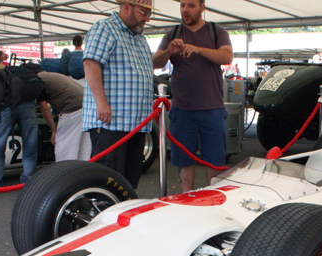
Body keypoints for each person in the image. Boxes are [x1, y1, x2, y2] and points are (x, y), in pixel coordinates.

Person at [153, 0, 233, 192]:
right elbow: (154, 62)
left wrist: (198, 49)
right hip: (182, 110)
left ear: (202, 7)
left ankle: (213, 208)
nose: (185, 10)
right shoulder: (172, 34)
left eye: (191, 5)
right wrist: (168, 51)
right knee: (184, 165)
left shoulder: (217, 31)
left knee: (214, 165)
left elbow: (227, 57)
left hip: (212, 109)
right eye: (182, 6)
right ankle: (187, 208)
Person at [82, 0, 154, 189]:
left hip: (136, 125)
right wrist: (101, 102)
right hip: (111, 124)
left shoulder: (139, 37)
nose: (147, 18)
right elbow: (90, 63)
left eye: (149, 14)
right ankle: (104, 217)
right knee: (108, 180)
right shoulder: (105, 28)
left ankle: (123, 216)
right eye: (143, 13)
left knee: (129, 181)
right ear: (126, 7)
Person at [0, 63, 39, 187]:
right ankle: (27, 181)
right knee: (30, 144)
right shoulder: (16, 75)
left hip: (4, 109)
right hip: (28, 106)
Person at [24, 64, 91, 162]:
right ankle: (84, 172)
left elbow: (44, 108)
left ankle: (64, 173)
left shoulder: (37, 80)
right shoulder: (52, 75)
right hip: (88, 105)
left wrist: (54, 130)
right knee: (83, 147)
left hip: (72, 108)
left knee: (63, 146)